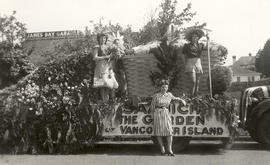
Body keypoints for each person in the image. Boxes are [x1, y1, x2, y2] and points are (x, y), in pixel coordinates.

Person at [150, 79, 186, 156]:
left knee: (169, 131)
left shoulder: (169, 95)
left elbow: (176, 98)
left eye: (166, 87)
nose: (164, 89)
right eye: (163, 87)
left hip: (166, 112)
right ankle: (162, 149)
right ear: (160, 87)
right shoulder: (156, 96)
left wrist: (182, 100)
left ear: (167, 88)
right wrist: (152, 117)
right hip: (158, 113)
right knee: (159, 131)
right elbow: (152, 107)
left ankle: (169, 149)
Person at [93, 33, 119, 103]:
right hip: (100, 66)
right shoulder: (97, 47)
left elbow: (112, 55)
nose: (103, 39)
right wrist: (105, 57)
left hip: (108, 66)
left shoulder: (108, 47)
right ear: (98, 39)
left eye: (104, 38)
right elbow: (95, 57)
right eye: (101, 38)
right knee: (102, 84)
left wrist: (113, 56)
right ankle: (104, 101)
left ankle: (109, 100)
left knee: (109, 84)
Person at [182, 28, 205, 98]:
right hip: (190, 63)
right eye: (193, 36)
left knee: (197, 82)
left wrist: (208, 38)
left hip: (198, 63)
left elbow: (208, 44)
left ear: (198, 38)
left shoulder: (201, 45)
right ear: (191, 38)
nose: (194, 38)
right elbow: (183, 55)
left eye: (196, 36)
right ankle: (191, 97)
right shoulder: (187, 46)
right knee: (193, 82)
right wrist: (185, 63)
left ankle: (196, 97)